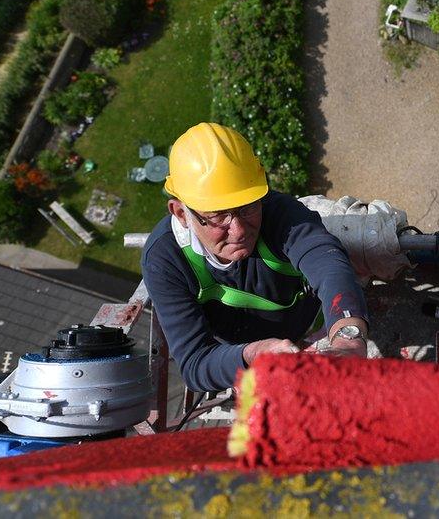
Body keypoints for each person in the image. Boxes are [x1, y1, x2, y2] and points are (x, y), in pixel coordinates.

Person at [142, 123, 369, 391]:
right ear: (181, 213)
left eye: (247, 208)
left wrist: (347, 339)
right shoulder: (165, 261)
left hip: (313, 326)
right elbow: (196, 363)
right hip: (242, 355)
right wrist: (250, 355)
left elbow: (328, 263)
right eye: (218, 216)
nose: (238, 230)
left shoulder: (278, 212)